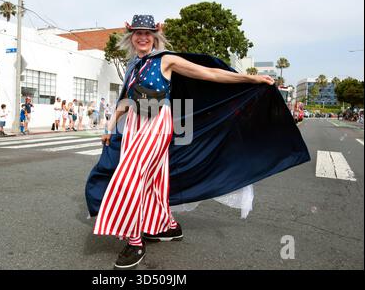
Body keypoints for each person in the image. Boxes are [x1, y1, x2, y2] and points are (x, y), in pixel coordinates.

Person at [86, 15, 310, 270]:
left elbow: (209, 74)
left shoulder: (166, 60)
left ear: (155, 36)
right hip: (135, 124)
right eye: (138, 33)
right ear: (131, 37)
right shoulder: (133, 66)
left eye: (148, 33)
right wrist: (109, 127)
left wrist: (251, 79)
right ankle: (167, 226)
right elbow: (125, 101)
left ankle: (135, 242)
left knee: (130, 176)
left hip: (157, 123)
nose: (143, 37)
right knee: (153, 180)